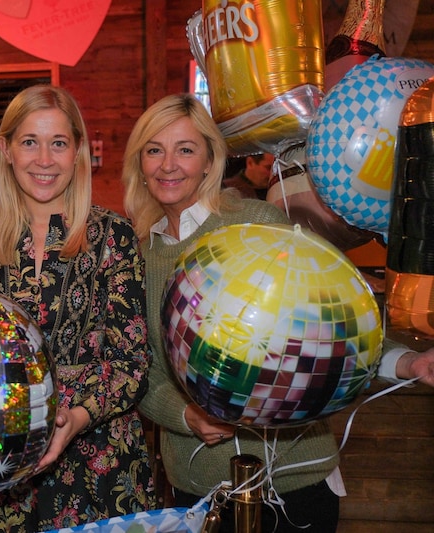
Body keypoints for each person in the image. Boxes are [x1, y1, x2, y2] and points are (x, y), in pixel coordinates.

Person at [122, 93, 434, 533]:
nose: (168, 164)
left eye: (185, 150)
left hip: (295, 478)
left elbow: (332, 322)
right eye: (154, 150)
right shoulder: (135, 258)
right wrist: (185, 415)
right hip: (200, 489)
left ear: (211, 162)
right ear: (140, 163)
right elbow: (141, 370)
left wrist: (406, 361)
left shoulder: (256, 222)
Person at [0, 85, 155, 532]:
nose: (44, 159)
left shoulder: (114, 235)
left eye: (58, 143)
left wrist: (74, 417)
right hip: (1, 469)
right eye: (29, 142)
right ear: (7, 150)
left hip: (102, 465)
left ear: (77, 152)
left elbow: (132, 364)